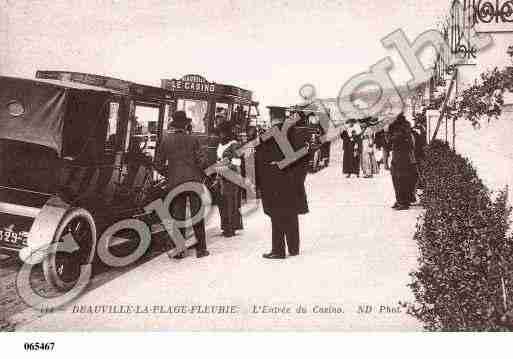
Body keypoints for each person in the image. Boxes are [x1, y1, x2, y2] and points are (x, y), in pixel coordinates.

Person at [255, 106, 310, 259]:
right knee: (291, 214)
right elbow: (304, 157)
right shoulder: (295, 133)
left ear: (272, 116)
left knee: (277, 215)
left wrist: (259, 184)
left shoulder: (268, 135)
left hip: (274, 183)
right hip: (292, 182)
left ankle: (278, 250)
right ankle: (294, 248)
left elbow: (260, 161)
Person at [159, 111, 210, 258]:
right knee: (196, 213)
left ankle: (179, 250)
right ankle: (201, 250)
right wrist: (201, 173)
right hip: (194, 181)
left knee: (178, 215)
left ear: (173, 124)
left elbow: (158, 163)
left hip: (175, 182)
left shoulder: (165, 140)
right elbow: (202, 161)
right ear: (185, 124)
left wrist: (168, 174)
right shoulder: (193, 139)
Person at [214, 121, 243, 237]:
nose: (220, 135)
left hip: (231, 177)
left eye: (221, 133)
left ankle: (231, 227)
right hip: (221, 177)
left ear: (226, 133)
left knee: (230, 202)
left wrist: (223, 167)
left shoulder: (234, 144)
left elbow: (237, 162)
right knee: (222, 202)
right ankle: (225, 226)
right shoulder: (221, 144)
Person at [385, 113, 417, 210]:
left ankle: (402, 202)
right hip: (401, 155)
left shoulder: (400, 126)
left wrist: (387, 132)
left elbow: (392, 140)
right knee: (401, 178)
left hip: (400, 155)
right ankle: (401, 200)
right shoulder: (405, 124)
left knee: (399, 178)